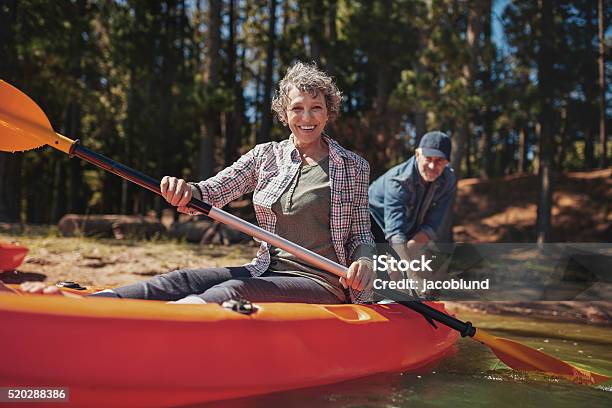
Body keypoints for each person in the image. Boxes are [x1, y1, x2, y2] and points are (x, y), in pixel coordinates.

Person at [22, 62, 376, 304]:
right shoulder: (266, 156)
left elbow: (361, 236)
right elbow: (212, 191)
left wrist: (364, 264)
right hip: (265, 269)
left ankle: (168, 330)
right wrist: (187, 191)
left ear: (329, 111)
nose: (307, 117)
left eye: (316, 107)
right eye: (298, 108)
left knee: (233, 289)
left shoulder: (352, 167)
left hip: (322, 282)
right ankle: (93, 305)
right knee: (180, 280)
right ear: (284, 115)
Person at [368, 131, 456, 282]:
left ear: (447, 162)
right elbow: (395, 233)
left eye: (439, 160)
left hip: (405, 230)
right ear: (417, 155)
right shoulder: (398, 181)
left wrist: (409, 260)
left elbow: (430, 225)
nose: (432, 165)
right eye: (428, 158)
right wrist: (407, 270)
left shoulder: (448, 180)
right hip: (370, 224)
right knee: (386, 273)